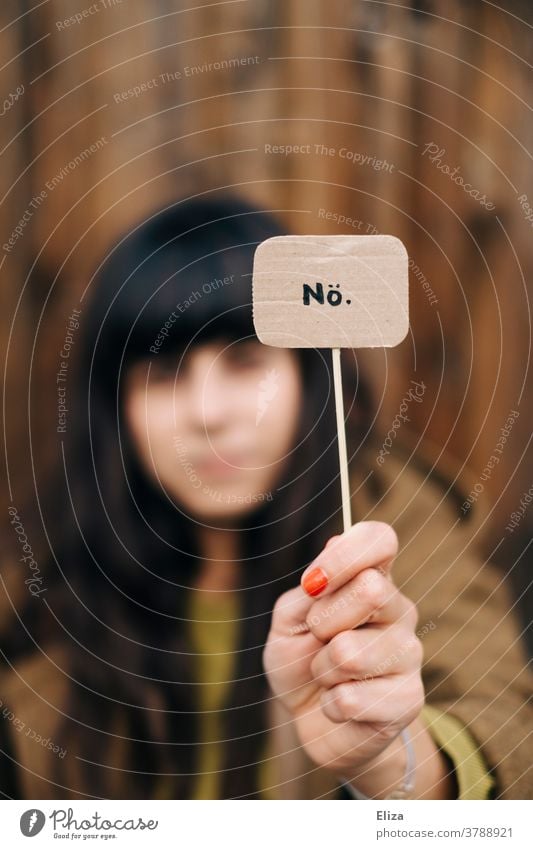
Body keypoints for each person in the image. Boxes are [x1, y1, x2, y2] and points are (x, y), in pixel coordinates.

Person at [0, 196, 531, 800]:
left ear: (306, 376)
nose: (210, 414)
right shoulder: (50, 565)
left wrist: (388, 761)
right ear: (115, 406)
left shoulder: (396, 525)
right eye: (165, 374)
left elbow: (499, 726)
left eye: (245, 361)